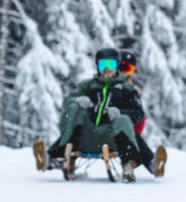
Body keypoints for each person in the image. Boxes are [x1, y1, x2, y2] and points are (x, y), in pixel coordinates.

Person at [46, 47, 148, 182]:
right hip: (87, 135)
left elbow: (138, 113)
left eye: (110, 64)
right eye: (102, 65)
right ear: (97, 67)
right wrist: (77, 100)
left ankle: (128, 165)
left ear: (117, 65)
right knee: (75, 109)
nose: (106, 69)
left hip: (112, 137)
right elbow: (67, 101)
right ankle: (61, 153)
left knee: (122, 119)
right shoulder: (88, 85)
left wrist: (120, 112)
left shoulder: (127, 89)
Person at [118, 49, 166, 178]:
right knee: (125, 131)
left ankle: (150, 164)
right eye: (120, 68)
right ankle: (148, 162)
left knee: (129, 132)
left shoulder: (131, 91)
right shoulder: (107, 88)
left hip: (125, 130)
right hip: (108, 130)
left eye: (127, 69)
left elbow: (138, 115)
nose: (123, 72)